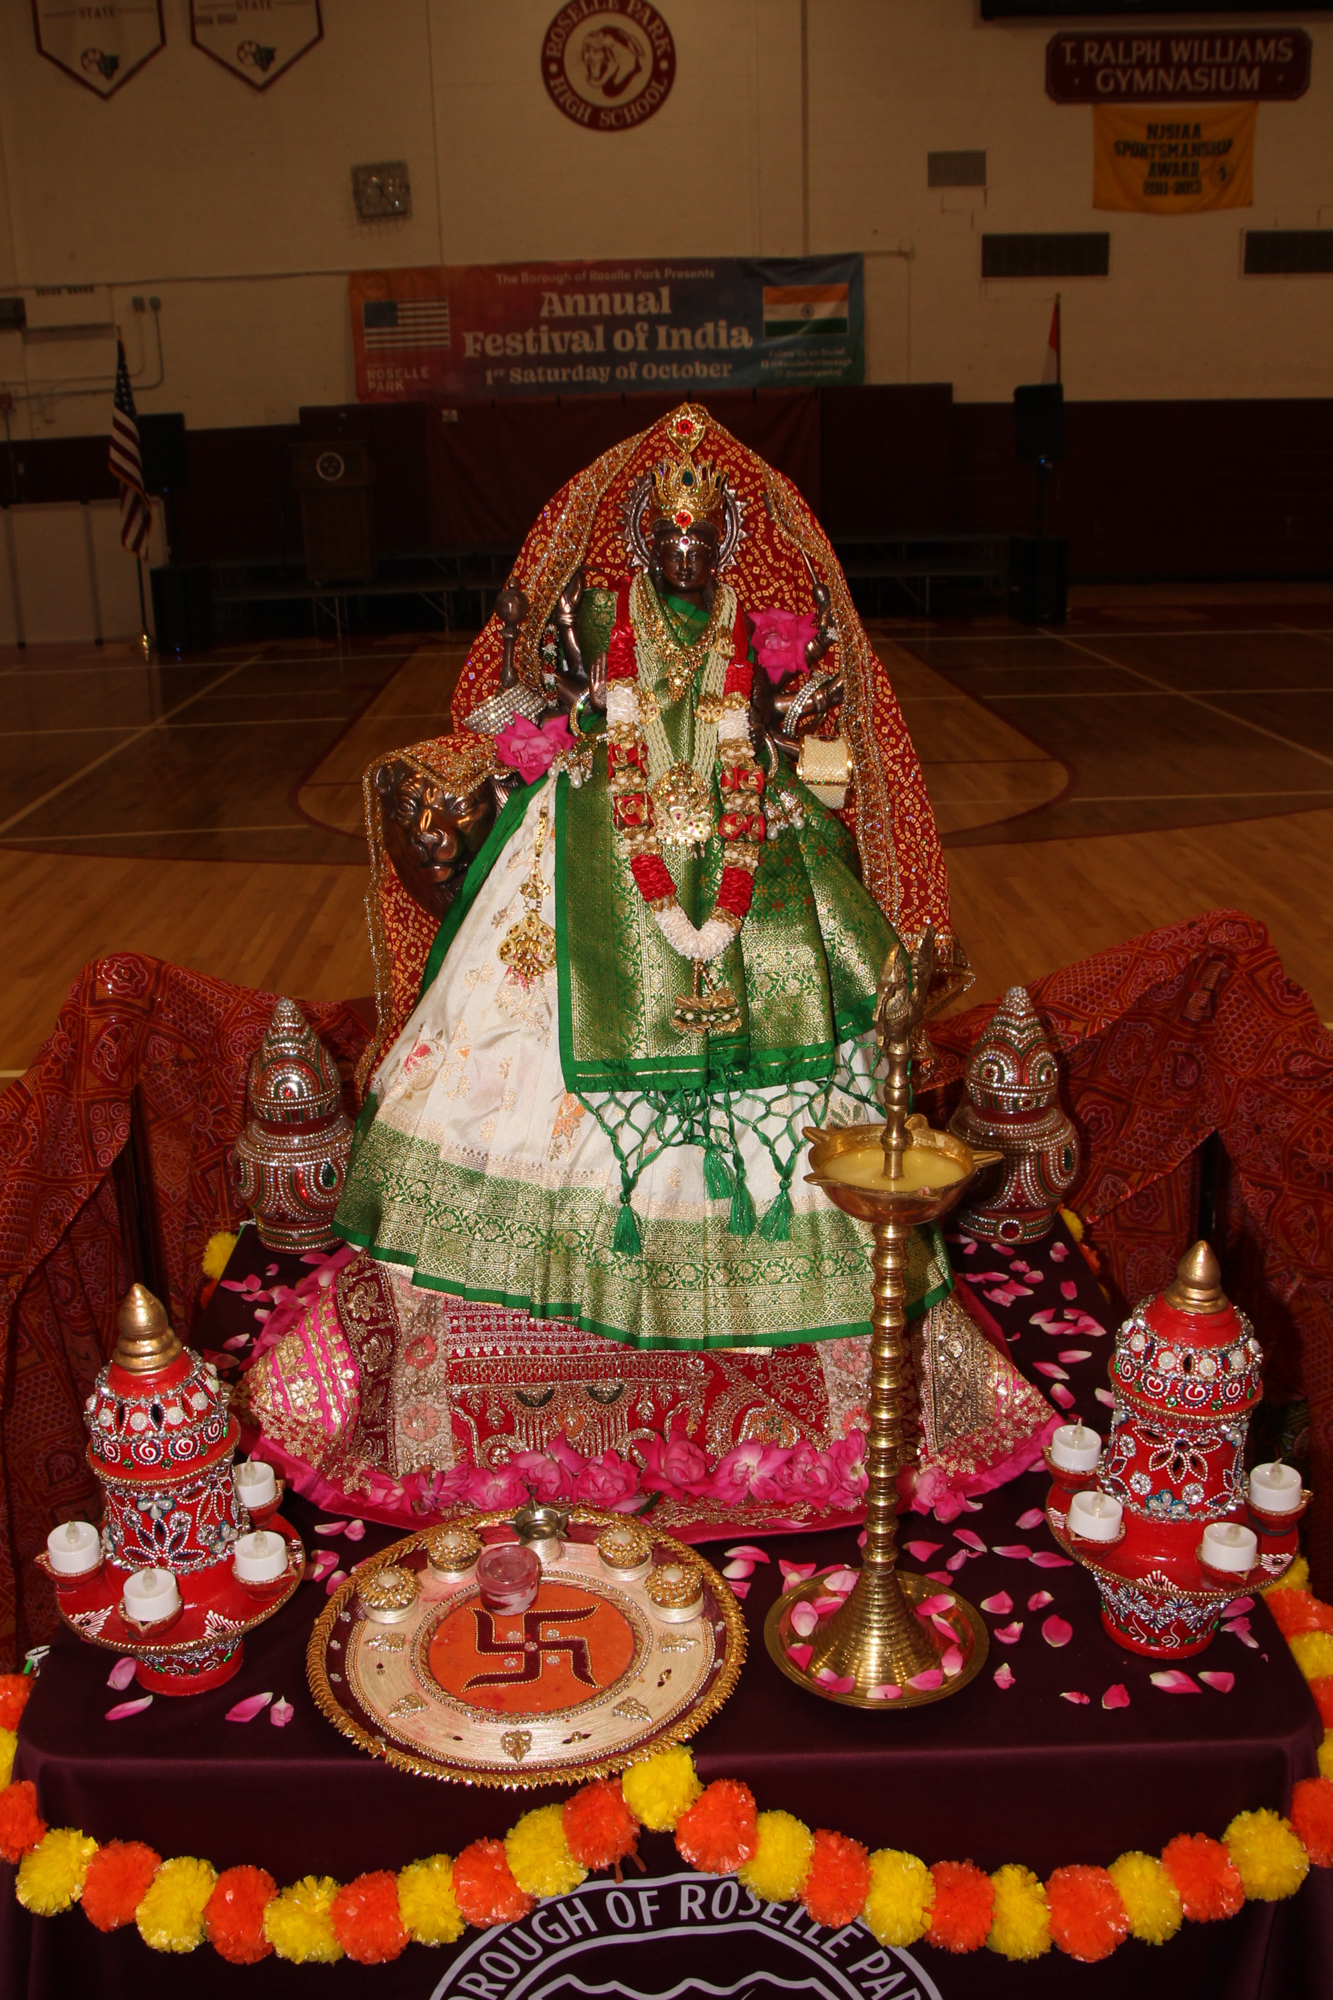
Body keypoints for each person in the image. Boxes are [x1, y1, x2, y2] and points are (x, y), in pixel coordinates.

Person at [238, 404, 1053, 1532]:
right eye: (665, 539)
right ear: (639, 541)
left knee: (818, 1022)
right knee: (514, 1032)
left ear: (723, 546)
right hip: (595, 833)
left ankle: (792, 1339)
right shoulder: (594, 611)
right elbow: (545, 705)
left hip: (745, 835)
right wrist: (549, 689)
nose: (681, 556)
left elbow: (770, 731)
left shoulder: (752, 626)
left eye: (699, 541)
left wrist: (793, 716)